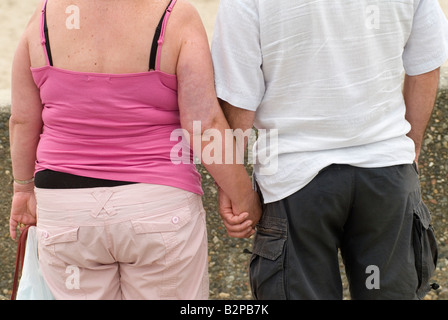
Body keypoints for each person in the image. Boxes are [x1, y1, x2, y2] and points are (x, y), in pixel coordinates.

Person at [9, 0, 260, 300]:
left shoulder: (42, 18)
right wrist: (243, 197)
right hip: (157, 208)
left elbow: (22, 120)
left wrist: (23, 190)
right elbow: (203, 125)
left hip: (66, 211)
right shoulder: (176, 16)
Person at [212, 0, 448, 299]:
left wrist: (233, 187)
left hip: (295, 183)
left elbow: (238, 97)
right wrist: (409, 148)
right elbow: (426, 65)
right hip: (386, 174)